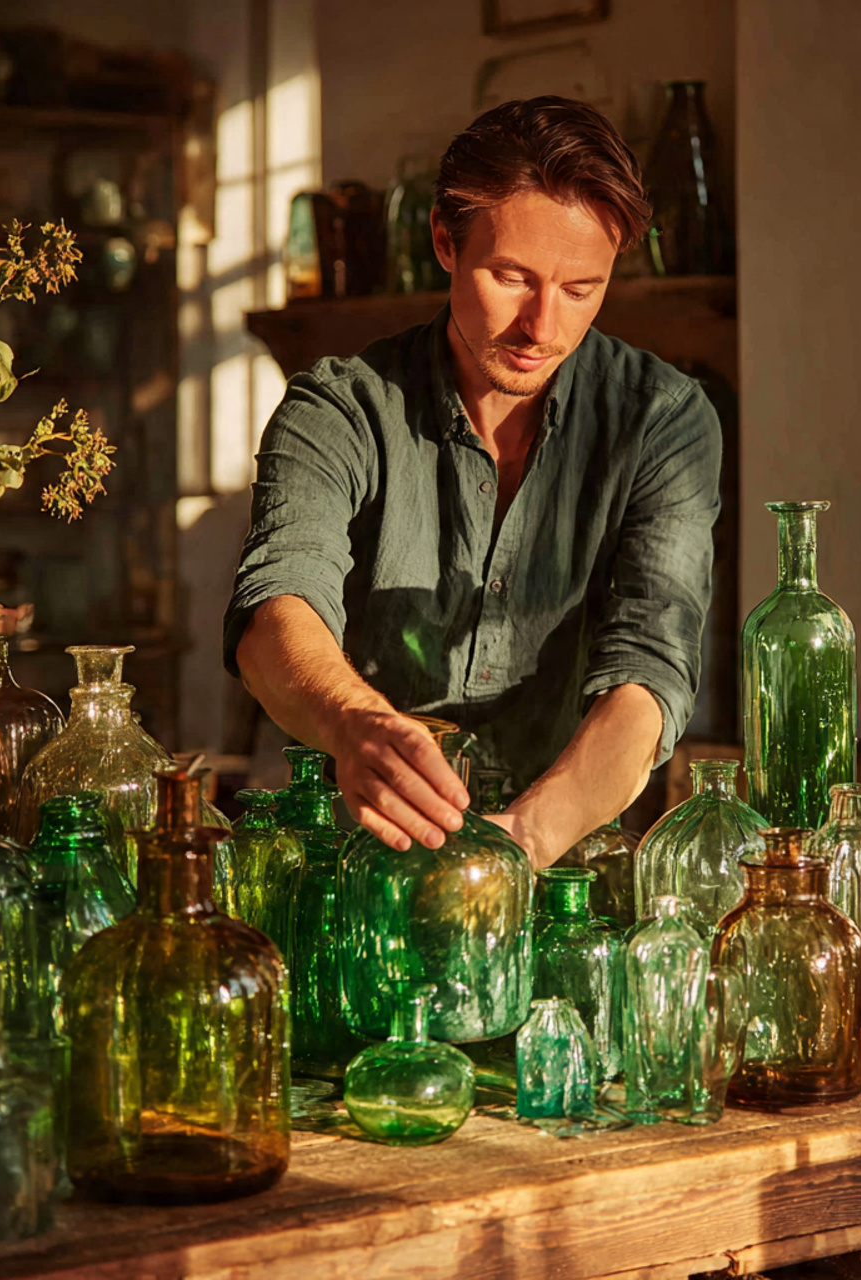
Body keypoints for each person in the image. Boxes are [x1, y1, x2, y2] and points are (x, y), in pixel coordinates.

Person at [225, 95, 721, 869]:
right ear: (444, 242)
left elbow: (650, 678)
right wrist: (355, 721)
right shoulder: (339, 408)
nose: (543, 328)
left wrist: (518, 846)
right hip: (352, 858)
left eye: (581, 289)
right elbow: (273, 614)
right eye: (512, 277)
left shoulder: (665, 420)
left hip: (554, 866)